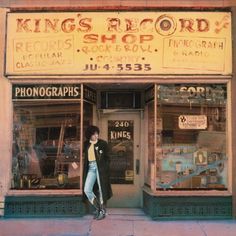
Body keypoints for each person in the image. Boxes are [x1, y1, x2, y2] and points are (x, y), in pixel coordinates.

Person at [83, 125, 113, 220]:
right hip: (91, 168)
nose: (96, 136)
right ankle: (99, 208)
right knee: (87, 189)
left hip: (100, 168)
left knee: (101, 189)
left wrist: (104, 167)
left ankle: (102, 211)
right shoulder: (86, 144)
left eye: (97, 133)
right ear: (89, 135)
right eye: (93, 134)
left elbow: (108, 158)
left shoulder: (103, 143)